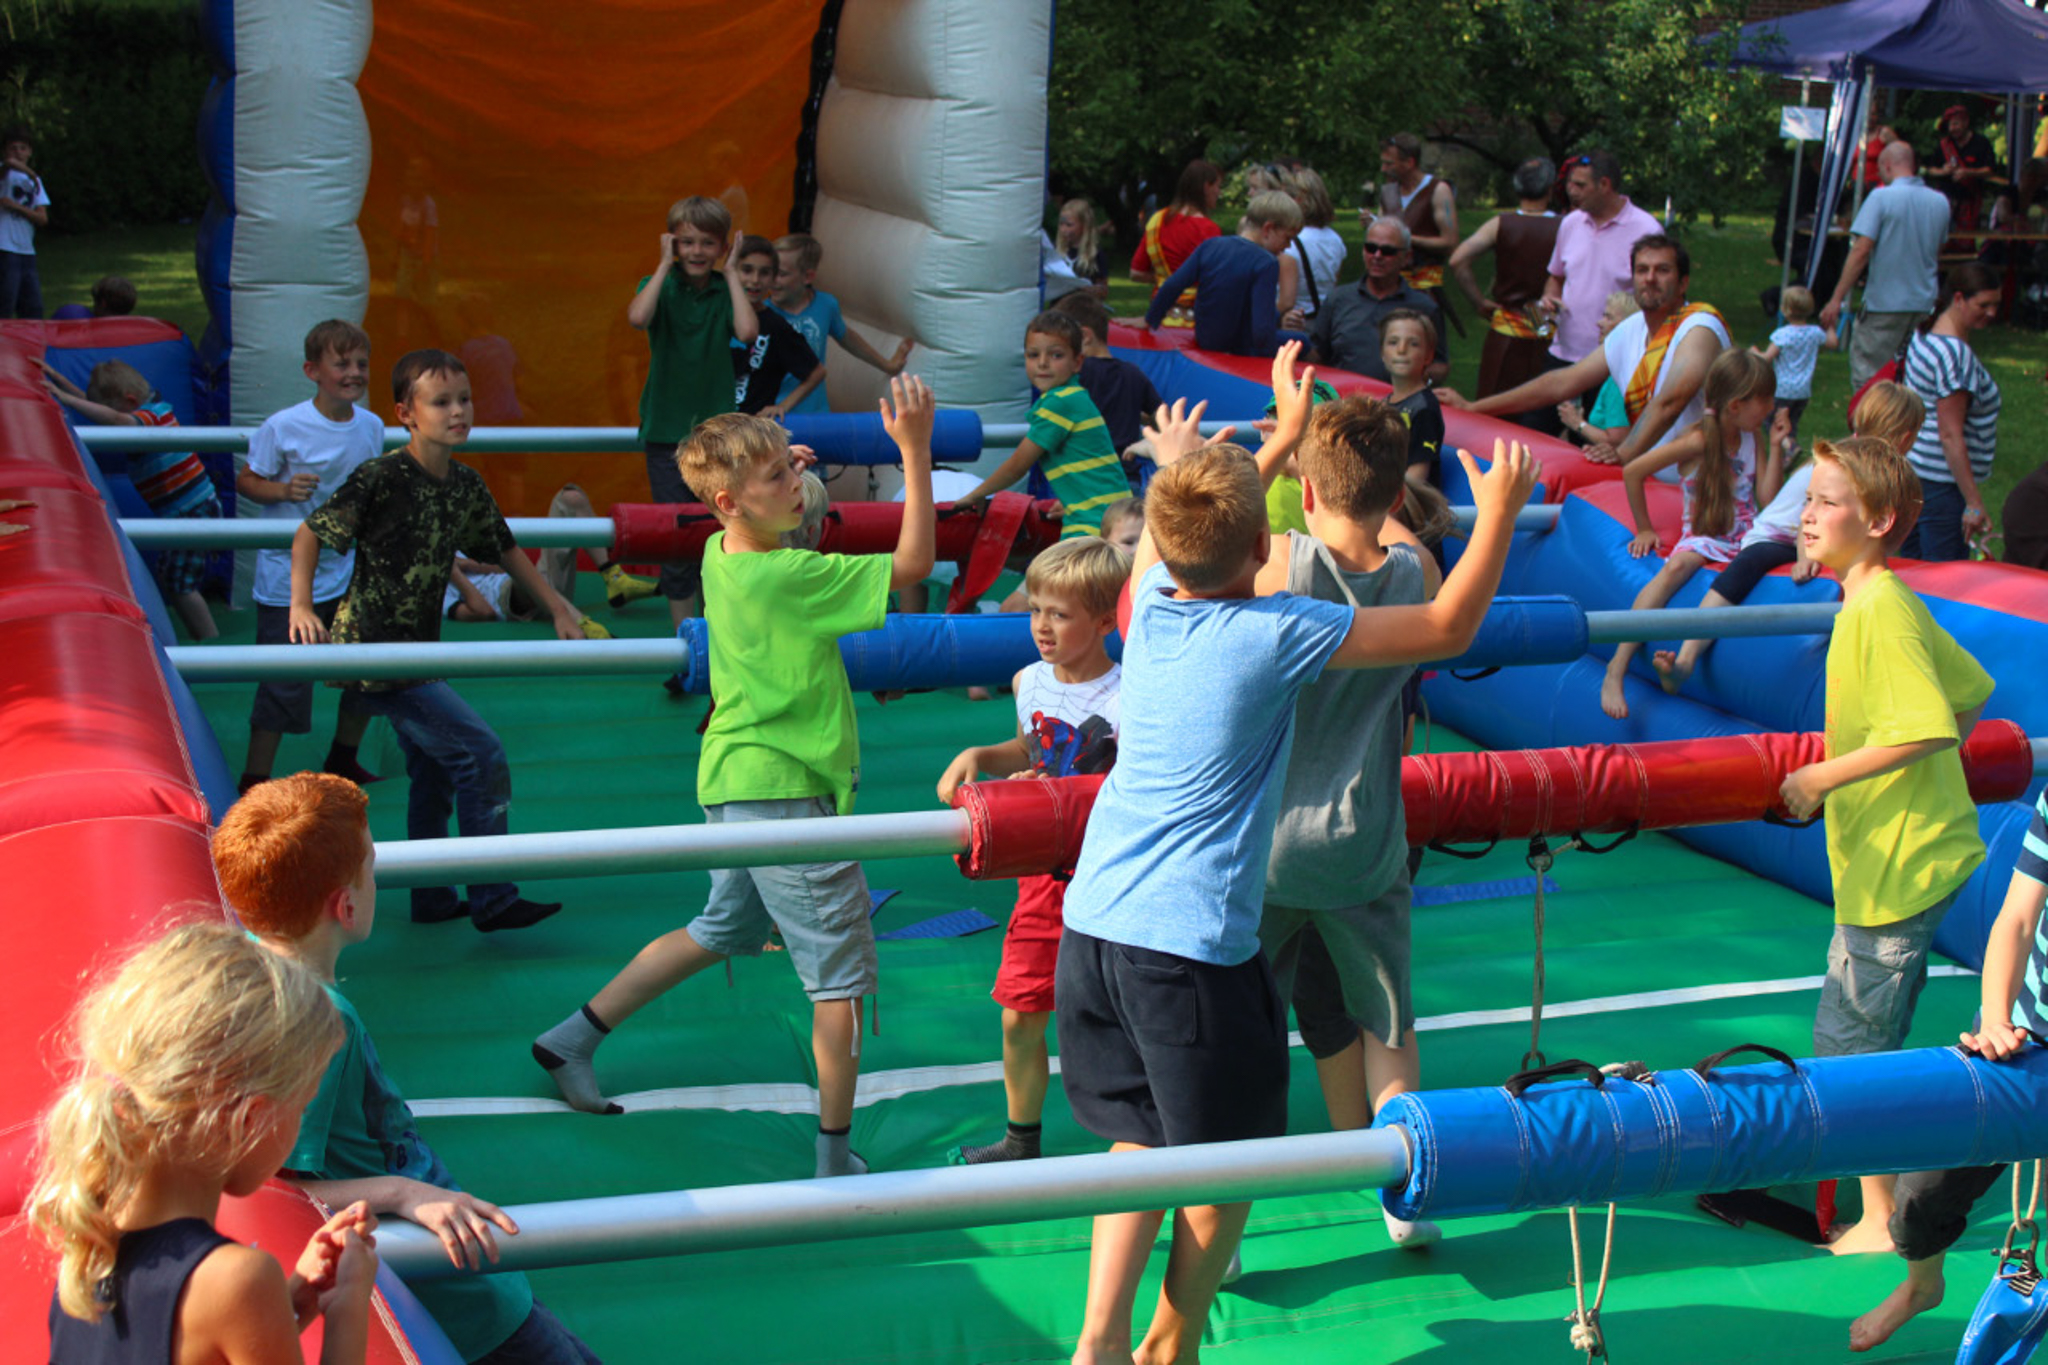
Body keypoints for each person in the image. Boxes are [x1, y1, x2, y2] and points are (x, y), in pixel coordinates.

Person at [1055, 349, 1537, 1365]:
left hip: (1093, 921)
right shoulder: (1273, 630)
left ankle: (1098, 1338)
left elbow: (1191, 530)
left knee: (1141, 1138)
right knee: (1232, 1159)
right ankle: (1172, 1343)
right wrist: (1495, 513)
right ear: (1259, 544)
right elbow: (1448, 625)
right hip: (1189, 940)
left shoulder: (1149, 599)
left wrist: (1252, 443)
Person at [532, 380, 937, 1178]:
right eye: (778, 476)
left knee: (720, 929)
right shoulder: (790, 575)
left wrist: (778, 471)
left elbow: (768, 509)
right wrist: (915, 454)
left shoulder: (723, 549)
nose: (794, 483)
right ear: (731, 500)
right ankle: (833, 1158)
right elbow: (915, 562)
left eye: (792, 469)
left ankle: (568, 1038)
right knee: (839, 983)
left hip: (732, 781)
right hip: (784, 790)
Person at [218, 775, 604, 1364]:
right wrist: (400, 1192)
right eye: (370, 870)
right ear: (346, 905)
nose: (377, 881)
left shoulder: (249, 969)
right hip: (454, 1296)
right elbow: (276, 1185)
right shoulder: (317, 1019)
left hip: (461, 1282)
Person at [1778, 436, 1994, 1257]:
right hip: (1897, 855)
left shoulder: (1879, 609)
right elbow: (1970, 689)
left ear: (1877, 521)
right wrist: (1918, 788)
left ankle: (1880, 1217)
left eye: (1826, 502)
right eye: (1807, 498)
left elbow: (1931, 724)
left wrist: (1824, 776)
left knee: (1849, 1048)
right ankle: (1885, 1195)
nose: (1807, 514)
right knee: (1861, 1033)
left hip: (1899, 864)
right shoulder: (1879, 599)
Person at [1247, 393, 1445, 1249]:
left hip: (1264, 845)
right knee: (1388, 1026)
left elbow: (1203, 538)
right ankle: (1407, 1197)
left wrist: (1285, 444)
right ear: (1396, 494)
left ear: (1305, 489)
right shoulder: (1414, 575)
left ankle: (1221, 1224)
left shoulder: (1277, 564)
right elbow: (1396, 537)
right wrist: (1375, 493)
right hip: (1363, 842)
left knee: (1239, 1037)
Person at [295, 349, 584, 933]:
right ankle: (493, 896)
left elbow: (504, 548)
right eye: (441, 402)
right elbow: (310, 532)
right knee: (480, 754)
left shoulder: (465, 485)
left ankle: (430, 897)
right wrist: (301, 605)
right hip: (377, 654)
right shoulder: (381, 477)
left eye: (464, 400)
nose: (458, 412)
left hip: (419, 652)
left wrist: (557, 606)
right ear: (405, 413)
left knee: (433, 771)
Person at [26, 921, 379, 1365]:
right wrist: (348, 1307)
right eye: (302, 1106)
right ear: (250, 1120)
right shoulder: (239, 1283)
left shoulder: (87, 1251)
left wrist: (294, 1300)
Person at [936, 535, 1129, 1166]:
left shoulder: (1129, 696)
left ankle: (1147, 1135)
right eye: (1036, 610)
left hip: (1112, 874)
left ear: (1105, 622)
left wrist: (1059, 790)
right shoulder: (1029, 680)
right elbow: (1031, 747)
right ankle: (1021, 1140)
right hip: (1044, 878)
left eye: (1060, 614)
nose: (1041, 626)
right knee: (1020, 1011)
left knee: (1121, 1013)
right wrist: (980, 756)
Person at [1843, 784, 2048, 1352]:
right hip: (2022, 1037)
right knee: (1921, 1198)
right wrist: (1996, 1021)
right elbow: (2017, 920)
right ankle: (1921, 1285)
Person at [1653, 381, 1924, 692]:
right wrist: (1804, 556)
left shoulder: (1877, 468)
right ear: (1906, 437)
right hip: (1777, 536)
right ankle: (1686, 658)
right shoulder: (1844, 466)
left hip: (1823, 537)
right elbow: (1807, 516)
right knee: (1748, 565)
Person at [235, 320, 387, 793]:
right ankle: (254, 781)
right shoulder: (283, 426)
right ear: (312, 371)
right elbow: (247, 481)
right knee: (283, 681)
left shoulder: (372, 426)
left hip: (347, 571)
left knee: (367, 669)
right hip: (286, 580)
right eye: (341, 363)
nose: (354, 372)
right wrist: (283, 490)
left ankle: (343, 758)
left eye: (361, 363)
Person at [1444, 235, 1728, 478]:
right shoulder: (1631, 329)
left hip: (1708, 488)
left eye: (1662, 270)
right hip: (1648, 483)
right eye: (1642, 270)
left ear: (1683, 283)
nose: (1650, 278)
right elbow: (1561, 383)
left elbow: (1672, 400)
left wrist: (1623, 454)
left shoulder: (1699, 327)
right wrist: (1474, 408)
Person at [1601, 348, 1774, 720]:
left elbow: (1767, 499)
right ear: (1736, 405)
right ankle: (1617, 666)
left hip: (1747, 535)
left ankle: (1681, 665)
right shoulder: (1698, 441)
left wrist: (1775, 448)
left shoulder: (1753, 436)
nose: (1772, 406)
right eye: (1764, 400)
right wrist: (1644, 528)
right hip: (1706, 534)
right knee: (1677, 567)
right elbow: (1633, 471)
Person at [629, 196, 756, 626]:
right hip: (667, 433)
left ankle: (719, 631)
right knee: (677, 538)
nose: (697, 251)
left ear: (723, 247)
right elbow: (637, 317)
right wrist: (663, 264)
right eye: (687, 242)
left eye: (707, 243)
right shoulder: (658, 285)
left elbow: (747, 331)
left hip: (717, 436)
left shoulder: (724, 290)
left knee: (723, 534)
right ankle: (685, 639)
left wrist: (733, 273)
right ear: (672, 243)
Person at [43, 359, 223, 643]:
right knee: (172, 579)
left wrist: (66, 399)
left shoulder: (152, 417)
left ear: (129, 400)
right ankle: (201, 636)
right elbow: (98, 407)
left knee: (181, 585)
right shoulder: (150, 409)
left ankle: (210, 640)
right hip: (187, 510)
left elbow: (115, 419)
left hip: (192, 511)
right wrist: (57, 379)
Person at [955, 312, 1132, 539]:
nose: (1042, 363)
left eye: (1056, 355)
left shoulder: (1060, 403)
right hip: (1111, 517)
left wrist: (976, 494)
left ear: (1077, 362)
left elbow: (1018, 464)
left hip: (1092, 522)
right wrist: (1070, 500)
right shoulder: (1072, 396)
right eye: (1033, 355)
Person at [1820, 141, 1952, 392]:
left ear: (1887, 165)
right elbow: (1938, 249)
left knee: (1871, 378)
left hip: (1885, 303)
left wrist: (1837, 298)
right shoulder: (1940, 202)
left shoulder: (1880, 197)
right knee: (1914, 377)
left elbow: (1861, 250)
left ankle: (1871, 418)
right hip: (1924, 303)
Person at [1899, 262, 2002, 561]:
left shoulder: (1926, 333)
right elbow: (1950, 434)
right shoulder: (1954, 355)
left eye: (1996, 304)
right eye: (1984, 305)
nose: (1992, 313)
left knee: (1913, 569)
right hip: (1942, 483)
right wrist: (1973, 502)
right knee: (1944, 576)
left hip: (1914, 471)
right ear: (1959, 298)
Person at [1448, 157, 1561, 429]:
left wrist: (1478, 301)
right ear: (1550, 189)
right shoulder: (1565, 226)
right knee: (1546, 417)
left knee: (1493, 414)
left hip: (1505, 335)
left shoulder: (1501, 224)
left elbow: (1458, 260)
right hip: (1550, 333)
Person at [1539, 151, 1662, 370]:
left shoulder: (1646, 230)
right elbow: (1556, 277)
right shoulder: (1570, 223)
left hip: (1615, 360)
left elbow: (1658, 298)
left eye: (1580, 185)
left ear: (1604, 185)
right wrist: (1549, 298)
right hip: (1562, 354)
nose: (1571, 191)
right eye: (1570, 183)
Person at [1141, 191, 1303, 357]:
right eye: (1287, 238)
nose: (1288, 246)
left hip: (1206, 340)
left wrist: (1150, 319)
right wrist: (1270, 362)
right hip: (1242, 348)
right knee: (1304, 342)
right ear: (1268, 228)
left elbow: (1174, 284)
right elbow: (1262, 330)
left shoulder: (1210, 246)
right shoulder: (1266, 263)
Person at [769, 233, 915, 415]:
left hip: (815, 412)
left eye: (781, 274)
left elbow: (848, 338)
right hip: (772, 411)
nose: (772, 280)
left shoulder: (825, 305)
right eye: (769, 271)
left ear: (808, 276)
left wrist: (888, 365)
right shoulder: (762, 313)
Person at [1309, 216, 1450, 383]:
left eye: (1387, 251)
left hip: (1397, 398)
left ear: (1406, 257)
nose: (1377, 255)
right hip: (1343, 396)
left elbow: (1440, 365)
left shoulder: (1424, 307)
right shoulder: (1338, 299)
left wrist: (1415, 378)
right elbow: (1316, 354)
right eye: (1371, 248)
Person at [1051, 292, 1164, 455]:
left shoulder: (1074, 372)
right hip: (1125, 468)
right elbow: (1163, 418)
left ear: (1084, 336)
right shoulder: (1133, 374)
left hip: (1083, 467)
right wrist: (1135, 414)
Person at [729, 234, 824, 417]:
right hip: (711, 424)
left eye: (764, 273)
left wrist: (783, 406)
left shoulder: (776, 326)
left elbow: (816, 372)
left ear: (773, 278)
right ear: (732, 272)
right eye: (747, 270)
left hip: (751, 427)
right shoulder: (717, 314)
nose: (755, 280)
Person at [1376, 134, 1460, 327]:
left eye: (1389, 164)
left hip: (1424, 291)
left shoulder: (1438, 190)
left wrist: (1408, 239)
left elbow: (1450, 243)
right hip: (1388, 289)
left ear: (1409, 162)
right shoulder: (1388, 192)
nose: (1383, 169)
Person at [1129, 159, 1222, 326]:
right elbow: (1216, 283)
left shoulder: (1157, 220)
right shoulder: (1209, 230)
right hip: (1194, 322)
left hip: (1159, 319)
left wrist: (1165, 280)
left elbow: (1136, 273)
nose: (1219, 193)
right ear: (1206, 187)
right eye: (1218, 186)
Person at [1751, 284, 1834, 447]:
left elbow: (1767, 358)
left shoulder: (1782, 335)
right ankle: (1790, 452)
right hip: (1803, 391)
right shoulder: (1815, 332)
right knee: (1791, 424)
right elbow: (1833, 342)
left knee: (1771, 422)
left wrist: (1754, 353)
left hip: (1783, 390)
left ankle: (1790, 447)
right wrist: (1830, 325)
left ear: (1785, 310)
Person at [1556, 291, 1639, 447]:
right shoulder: (1624, 366)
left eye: (1609, 318)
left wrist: (1576, 423)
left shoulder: (1618, 380)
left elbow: (1616, 441)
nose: (1599, 323)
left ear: (1627, 327)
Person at [1381, 310, 1445, 488]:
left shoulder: (1424, 409)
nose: (1401, 350)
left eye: (1413, 344)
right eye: (1393, 342)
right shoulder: (1384, 404)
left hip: (1405, 500)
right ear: (1382, 353)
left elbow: (1416, 478)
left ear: (1428, 356)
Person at [1279, 167, 1345, 327]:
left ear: (1297, 200)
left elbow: (1287, 301)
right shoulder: (1335, 239)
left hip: (1296, 322)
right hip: (1325, 321)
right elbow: (1333, 284)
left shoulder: (1291, 242)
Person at [1926, 103, 1999, 235]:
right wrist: (1944, 171)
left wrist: (1968, 173)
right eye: (1950, 125)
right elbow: (1931, 170)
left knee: (1965, 238)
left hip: (1970, 200)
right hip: (1945, 200)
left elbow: (1990, 170)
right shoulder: (1944, 144)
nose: (1952, 129)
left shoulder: (1981, 143)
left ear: (1966, 122)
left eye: (1956, 124)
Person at [0, 127, 48, 319]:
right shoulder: (4, 174)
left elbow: (42, 218)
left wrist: (16, 207)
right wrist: (32, 175)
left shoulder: (34, 181)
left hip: (27, 251)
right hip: (4, 248)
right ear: (5, 151)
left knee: (33, 308)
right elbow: (9, 164)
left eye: (23, 148)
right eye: (13, 148)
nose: (18, 153)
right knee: (5, 304)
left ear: (30, 152)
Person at [1055, 197, 1111, 294]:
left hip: (1083, 301)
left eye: (1069, 225)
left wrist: (1091, 289)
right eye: (1061, 224)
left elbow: (1103, 289)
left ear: (1084, 226)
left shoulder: (1095, 254)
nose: (1063, 229)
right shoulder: (1056, 252)